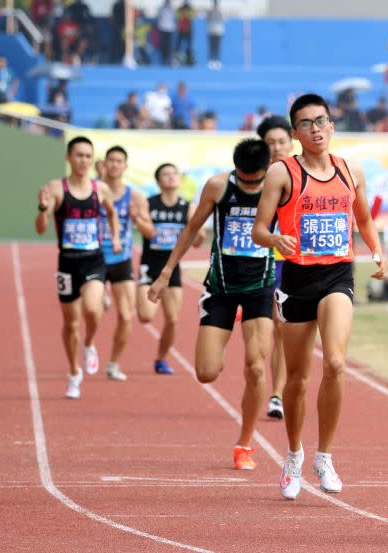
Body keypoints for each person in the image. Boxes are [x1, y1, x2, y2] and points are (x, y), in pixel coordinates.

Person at [252, 94, 387, 500]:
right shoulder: (282, 173)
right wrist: (276, 238)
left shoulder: (350, 171)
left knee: (335, 361)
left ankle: (324, 456)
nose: (316, 128)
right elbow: (259, 229)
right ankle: (294, 454)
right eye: (307, 123)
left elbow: (362, 217)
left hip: (337, 275)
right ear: (295, 133)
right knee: (296, 380)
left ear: (332, 125)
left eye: (322, 121)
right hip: (296, 279)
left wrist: (376, 250)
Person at [148, 139, 275, 470]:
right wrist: (165, 274)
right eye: (244, 180)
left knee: (257, 365)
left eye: (255, 180)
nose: (250, 185)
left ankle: (244, 445)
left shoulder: (279, 186)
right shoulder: (219, 186)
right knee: (206, 373)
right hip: (220, 288)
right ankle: (226, 329)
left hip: (260, 288)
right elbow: (191, 229)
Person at [35, 136, 122, 399]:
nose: (83, 160)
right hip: (67, 262)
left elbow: (112, 213)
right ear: (68, 158)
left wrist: (115, 237)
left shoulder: (101, 189)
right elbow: (40, 228)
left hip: (94, 258)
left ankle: (89, 343)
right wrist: (41, 208)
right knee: (71, 323)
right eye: (78, 155)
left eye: (87, 156)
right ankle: (74, 372)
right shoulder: (57, 188)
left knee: (94, 309)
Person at [136, 163, 202, 375]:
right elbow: (147, 232)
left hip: (172, 268)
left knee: (172, 319)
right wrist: (143, 223)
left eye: (174, 173)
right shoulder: (150, 203)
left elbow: (198, 240)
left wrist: (197, 232)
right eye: (166, 174)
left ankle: (161, 359)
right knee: (146, 316)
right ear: (158, 181)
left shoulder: (187, 206)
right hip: (150, 266)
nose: (172, 177)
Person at [100, 146, 155, 381]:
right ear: (104, 164)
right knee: (90, 310)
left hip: (121, 259)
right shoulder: (93, 191)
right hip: (92, 258)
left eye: (119, 161)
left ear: (125, 166)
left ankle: (113, 363)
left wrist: (137, 219)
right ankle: (89, 345)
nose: (114, 164)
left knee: (126, 316)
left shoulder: (136, 197)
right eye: (110, 160)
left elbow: (150, 232)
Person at [257, 115, 295, 419]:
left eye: (282, 141)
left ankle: (277, 394)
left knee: (282, 329)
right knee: (263, 332)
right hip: (255, 263)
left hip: (287, 264)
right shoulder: (251, 180)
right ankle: (258, 383)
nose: (277, 147)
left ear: (291, 142)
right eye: (270, 143)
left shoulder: (301, 176)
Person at [206, 0, 224, 70]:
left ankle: (217, 61)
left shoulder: (220, 12)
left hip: (218, 32)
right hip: (211, 32)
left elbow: (221, 20)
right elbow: (208, 20)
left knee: (217, 47)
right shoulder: (210, 12)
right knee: (211, 47)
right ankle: (211, 61)